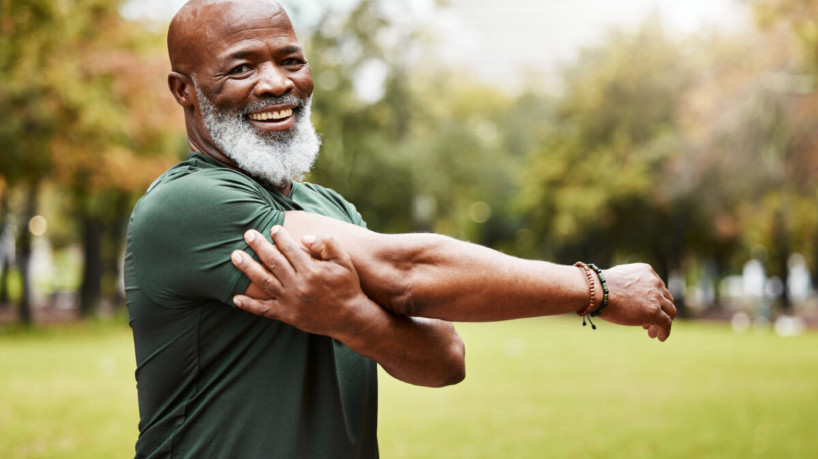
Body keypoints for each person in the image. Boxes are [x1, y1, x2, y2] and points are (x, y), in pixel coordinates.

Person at [124, 0, 675, 457]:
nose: (275, 83)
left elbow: (445, 360)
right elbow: (406, 271)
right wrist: (595, 288)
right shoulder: (187, 203)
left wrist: (354, 319)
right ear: (184, 89)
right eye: (241, 67)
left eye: (290, 60)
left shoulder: (332, 209)